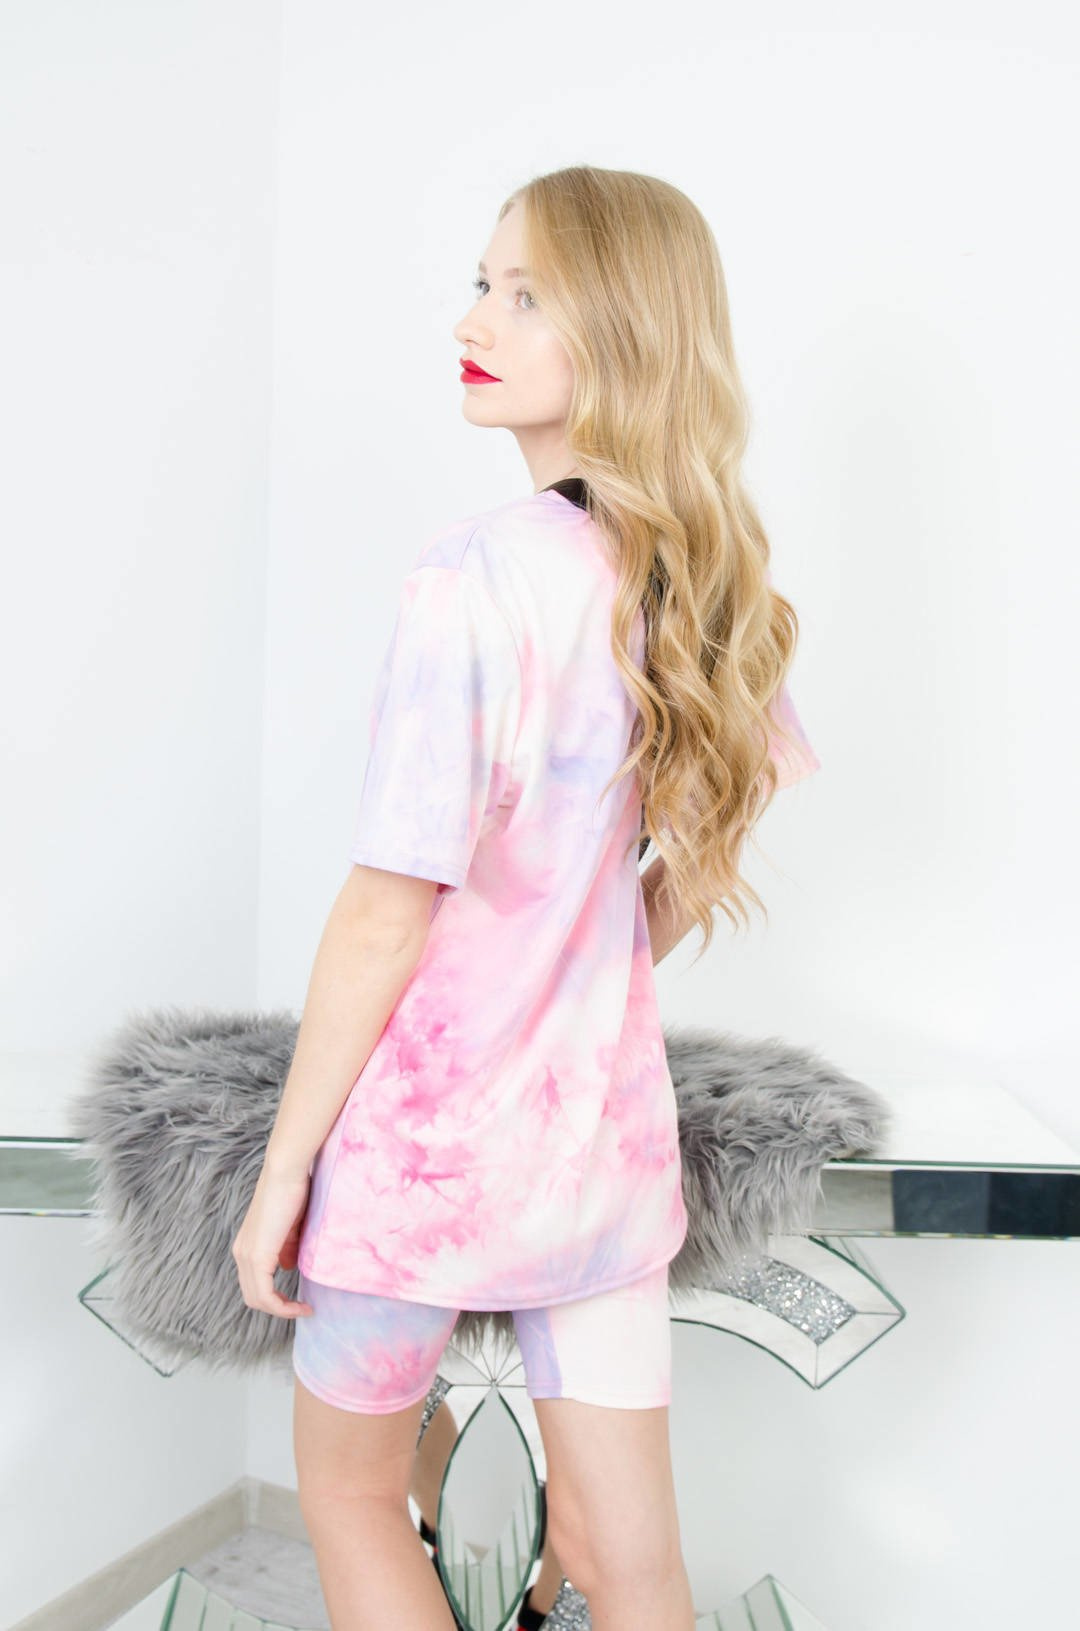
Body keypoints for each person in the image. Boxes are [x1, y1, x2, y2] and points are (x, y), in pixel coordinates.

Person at [231, 164, 821, 1631]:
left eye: (525, 294)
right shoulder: (701, 581)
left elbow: (388, 911)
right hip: (600, 1163)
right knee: (633, 1570)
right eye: (482, 284)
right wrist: (585, 957)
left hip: (420, 1162)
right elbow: (689, 864)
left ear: (621, 328)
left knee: (356, 1500)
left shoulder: (473, 580)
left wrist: (285, 1173)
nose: (473, 321)